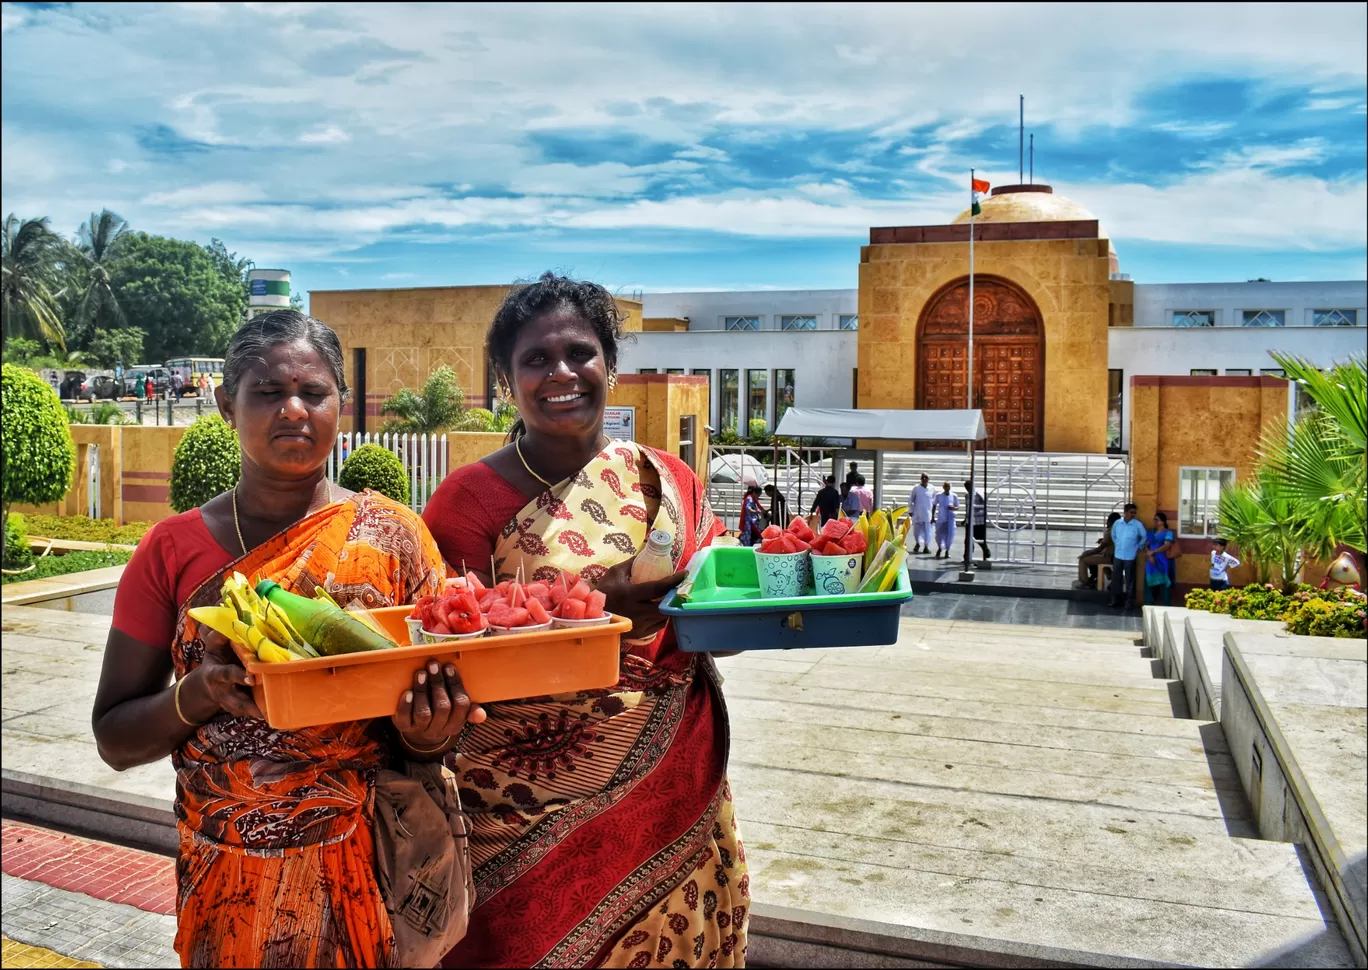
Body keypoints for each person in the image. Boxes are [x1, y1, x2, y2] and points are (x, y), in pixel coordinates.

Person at [90, 311, 473, 968]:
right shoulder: (171, 550)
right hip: (229, 885)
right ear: (224, 403)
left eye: (313, 392)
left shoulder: (395, 538)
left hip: (373, 872)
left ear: (340, 405)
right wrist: (200, 694)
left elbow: (441, 724)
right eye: (268, 392)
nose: (294, 410)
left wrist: (429, 730)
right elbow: (115, 739)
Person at [421, 273, 748, 969]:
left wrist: (756, 614)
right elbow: (445, 655)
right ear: (506, 382)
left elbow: (715, 622)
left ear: (611, 365)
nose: (561, 373)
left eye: (580, 353)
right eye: (535, 360)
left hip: (674, 794)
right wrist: (595, 622)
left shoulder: (669, 481)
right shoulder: (468, 501)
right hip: (517, 813)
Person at [1108, 503, 1148, 608]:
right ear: (1125, 512)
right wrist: (1117, 543)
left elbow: (1144, 536)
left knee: (1130, 580)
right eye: (1131, 512)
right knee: (1116, 578)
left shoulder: (1137, 525)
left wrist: (1138, 546)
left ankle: (1129, 602)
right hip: (1118, 555)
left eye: (1135, 512)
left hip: (1130, 556)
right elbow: (1113, 535)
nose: (1133, 514)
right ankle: (1115, 600)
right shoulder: (1117, 523)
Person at [1074, 512, 1120, 589]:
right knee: (1089, 555)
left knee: (1083, 559)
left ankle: (1085, 582)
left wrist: (1087, 553)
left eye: (1107, 521)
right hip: (1115, 557)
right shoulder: (1119, 530)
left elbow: (1099, 549)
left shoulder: (1110, 532)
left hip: (1109, 557)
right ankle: (1097, 574)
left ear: (1110, 521)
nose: (1106, 523)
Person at [1143, 512, 1177, 606]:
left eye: (1157, 519)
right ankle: (1148, 602)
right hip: (1150, 560)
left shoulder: (1168, 533)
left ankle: (1166, 603)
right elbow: (1146, 545)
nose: (1155, 521)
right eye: (1154, 519)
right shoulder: (1151, 532)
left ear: (1162, 521)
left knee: (1164, 580)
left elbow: (1167, 545)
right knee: (1149, 579)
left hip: (1162, 559)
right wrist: (1150, 556)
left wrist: (1154, 552)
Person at [963, 480, 990, 560]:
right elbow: (967, 508)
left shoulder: (979, 494)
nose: (967, 489)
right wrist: (965, 519)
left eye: (969, 487)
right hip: (969, 521)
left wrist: (978, 513)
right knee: (968, 540)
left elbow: (984, 506)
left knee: (980, 538)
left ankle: (986, 552)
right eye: (966, 487)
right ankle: (967, 557)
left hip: (978, 521)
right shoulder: (967, 496)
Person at [931, 481, 958, 558]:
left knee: (949, 535)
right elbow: (934, 505)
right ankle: (940, 547)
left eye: (948, 486)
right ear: (943, 487)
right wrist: (932, 517)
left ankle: (947, 550)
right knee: (939, 535)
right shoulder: (939, 495)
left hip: (950, 519)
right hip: (941, 518)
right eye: (946, 486)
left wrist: (953, 508)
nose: (947, 488)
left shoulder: (954, 496)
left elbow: (957, 507)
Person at [908, 474, 933, 554]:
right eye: (923, 477)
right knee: (917, 531)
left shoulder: (932, 488)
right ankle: (917, 543)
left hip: (927, 514)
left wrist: (933, 514)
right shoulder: (916, 488)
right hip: (917, 513)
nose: (924, 479)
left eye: (926, 477)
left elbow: (934, 501)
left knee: (927, 531)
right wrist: (911, 510)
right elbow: (911, 499)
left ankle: (926, 546)